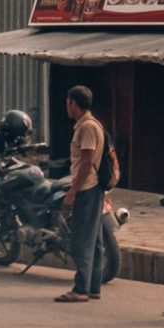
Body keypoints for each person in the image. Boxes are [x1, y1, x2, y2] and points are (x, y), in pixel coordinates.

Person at [58, 85, 110, 303]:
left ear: (73, 104)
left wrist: (73, 191)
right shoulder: (91, 124)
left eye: (68, 103)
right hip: (94, 188)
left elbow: (87, 162)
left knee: (81, 240)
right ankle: (93, 286)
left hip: (87, 189)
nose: (66, 107)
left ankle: (80, 289)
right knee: (95, 240)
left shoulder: (87, 127)